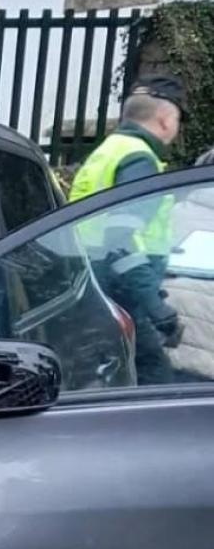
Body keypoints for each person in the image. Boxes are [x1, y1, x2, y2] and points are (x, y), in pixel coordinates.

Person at [69, 74, 188, 384]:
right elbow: (120, 241)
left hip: (94, 288)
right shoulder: (140, 160)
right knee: (155, 380)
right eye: (177, 119)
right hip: (122, 294)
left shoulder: (110, 150)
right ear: (164, 119)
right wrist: (156, 308)